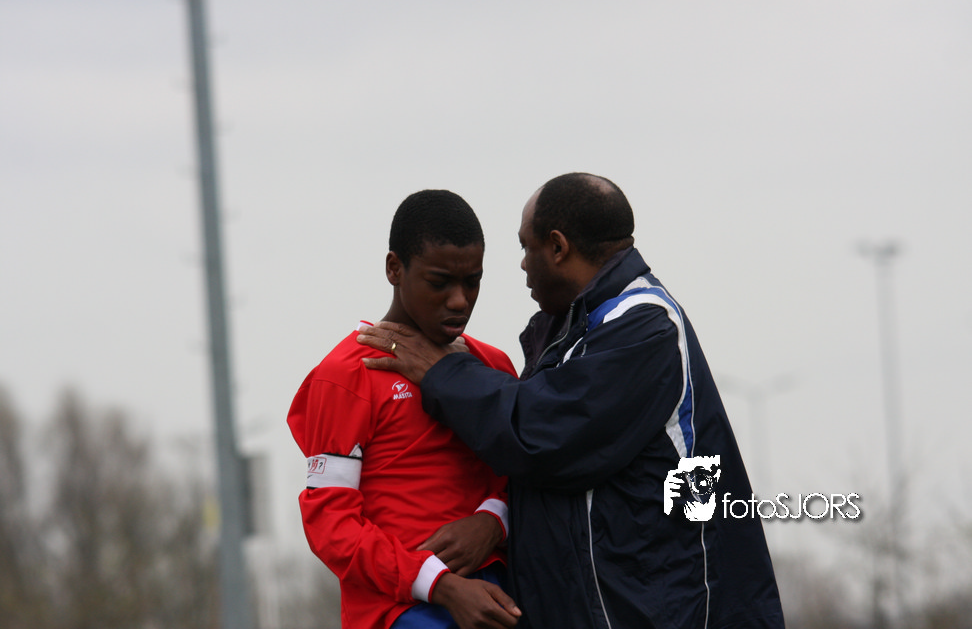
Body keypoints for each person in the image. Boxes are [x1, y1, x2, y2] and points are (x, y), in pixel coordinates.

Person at [357, 173, 786, 628]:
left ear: (558, 247)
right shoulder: (573, 331)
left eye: (526, 247)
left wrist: (443, 372)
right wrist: (494, 520)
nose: (522, 264)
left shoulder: (645, 325)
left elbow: (541, 436)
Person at [287, 190, 522, 629]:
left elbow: (527, 477)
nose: (459, 300)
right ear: (394, 268)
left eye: (472, 281)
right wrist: (439, 584)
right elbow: (331, 522)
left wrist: (494, 522)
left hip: (503, 603)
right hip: (399, 613)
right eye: (440, 282)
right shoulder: (345, 375)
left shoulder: (493, 365)